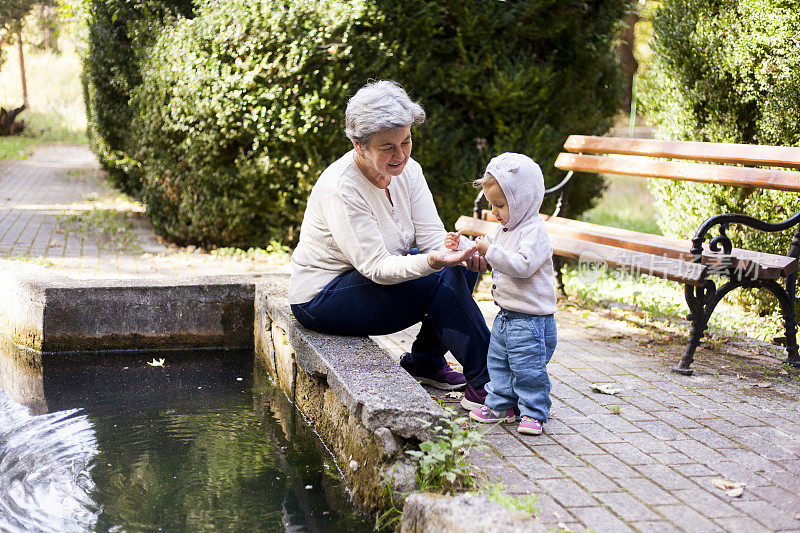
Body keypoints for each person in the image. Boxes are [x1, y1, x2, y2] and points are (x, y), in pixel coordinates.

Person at [288, 80, 491, 402]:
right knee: (441, 275)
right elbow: (377, 267)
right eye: (388, 147)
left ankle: (424, 362)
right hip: (322, 297)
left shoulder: (410, 171)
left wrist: (459, 251)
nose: (401, 155)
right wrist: (435, 261)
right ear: (359, 145)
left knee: (462, 266)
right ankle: (489, 383)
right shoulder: (342, 187)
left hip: (366, 281)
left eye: (406, 141)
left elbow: (431, 237)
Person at [446, 153, 557, 435]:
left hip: (532, 321)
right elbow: (491, 262)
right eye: (491, 204)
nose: (494, 212)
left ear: (522, 200)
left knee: (527, 369)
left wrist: (490, 251)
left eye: (500, 205)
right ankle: (501, 405)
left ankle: (534, 413)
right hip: (507, 316)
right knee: (499, 365)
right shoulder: (503, 229)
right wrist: (465, 248)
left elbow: (522, 266)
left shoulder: (535, 232)